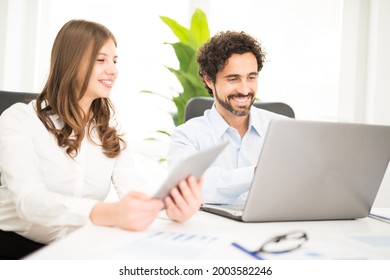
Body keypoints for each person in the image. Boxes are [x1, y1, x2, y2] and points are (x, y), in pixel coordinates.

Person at [0, 19, 203, 260]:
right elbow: (29, 201)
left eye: (114, 60)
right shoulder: (19, 119)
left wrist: (170, 208)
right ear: (71, 62)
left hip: (77, 249)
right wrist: (108, 213)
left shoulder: (109, 130)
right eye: (101, 60)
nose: (113, 70)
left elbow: (133, 190)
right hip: (14, 247)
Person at [167, 31, 286, 205]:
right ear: (209, 80)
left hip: (273, 227)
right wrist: (258, 173)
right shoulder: (186, 136)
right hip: (213, 229)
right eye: (233, 79)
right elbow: (188, 188)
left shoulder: (282, 128)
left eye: (251, 77)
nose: (245, 89)